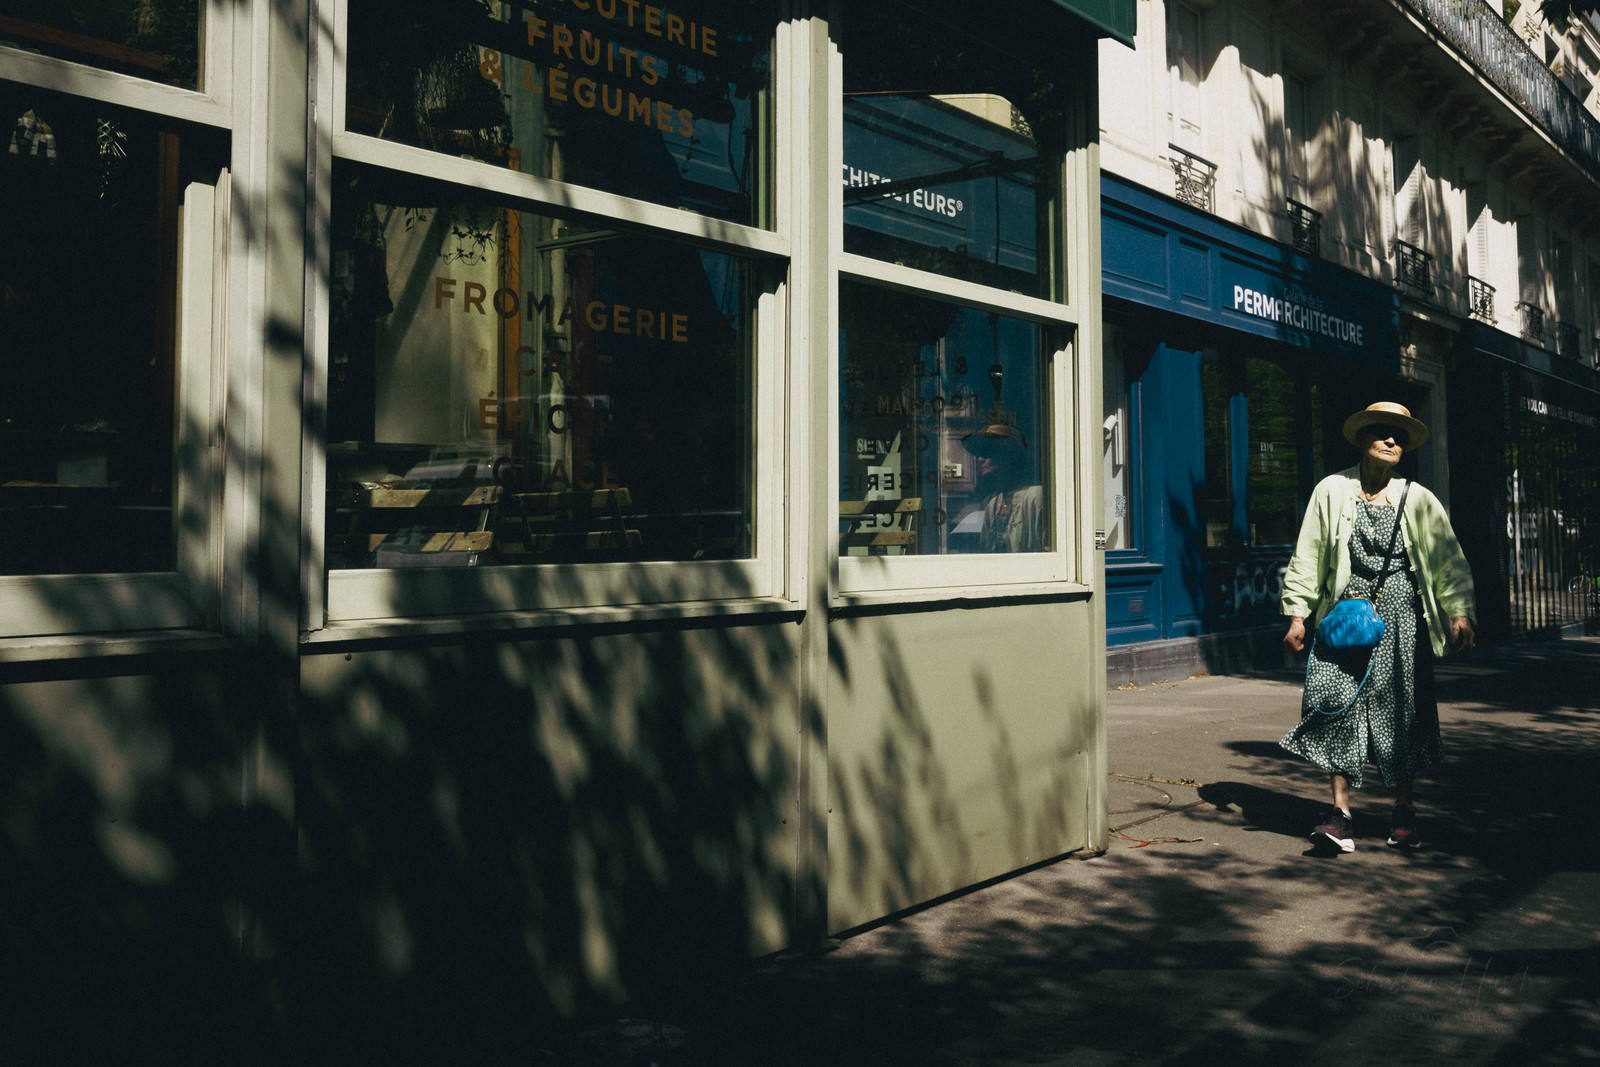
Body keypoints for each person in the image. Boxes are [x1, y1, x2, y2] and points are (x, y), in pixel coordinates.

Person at [1279, 401, 1476, 853]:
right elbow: (1307, 554)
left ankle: (1403, 809)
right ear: (1361, 438)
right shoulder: (1331, 489)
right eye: (1383, 432)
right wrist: (1297, 613)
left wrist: (1459, 611)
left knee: (1401, 713)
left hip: (1401, 621)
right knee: (1334, 705)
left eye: (1400, 437)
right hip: (1343, 620)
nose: (1392, 441)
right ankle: (1340, 815)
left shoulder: (1419, 498)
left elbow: (1448, 560)